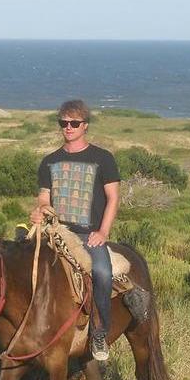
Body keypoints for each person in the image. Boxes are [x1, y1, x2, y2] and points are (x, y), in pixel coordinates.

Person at [30, 100, 121, 361]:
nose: (68, 127)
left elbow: (113, 198)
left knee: (102, 273)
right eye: (64, 123)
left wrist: (103, 232)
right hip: (57, 231)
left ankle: (99, 331)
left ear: (85, 126)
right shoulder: (49, 161)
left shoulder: (103, 158)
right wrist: (40, 211)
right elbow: (45, 198)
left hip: (88, 234)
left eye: (74, 123)